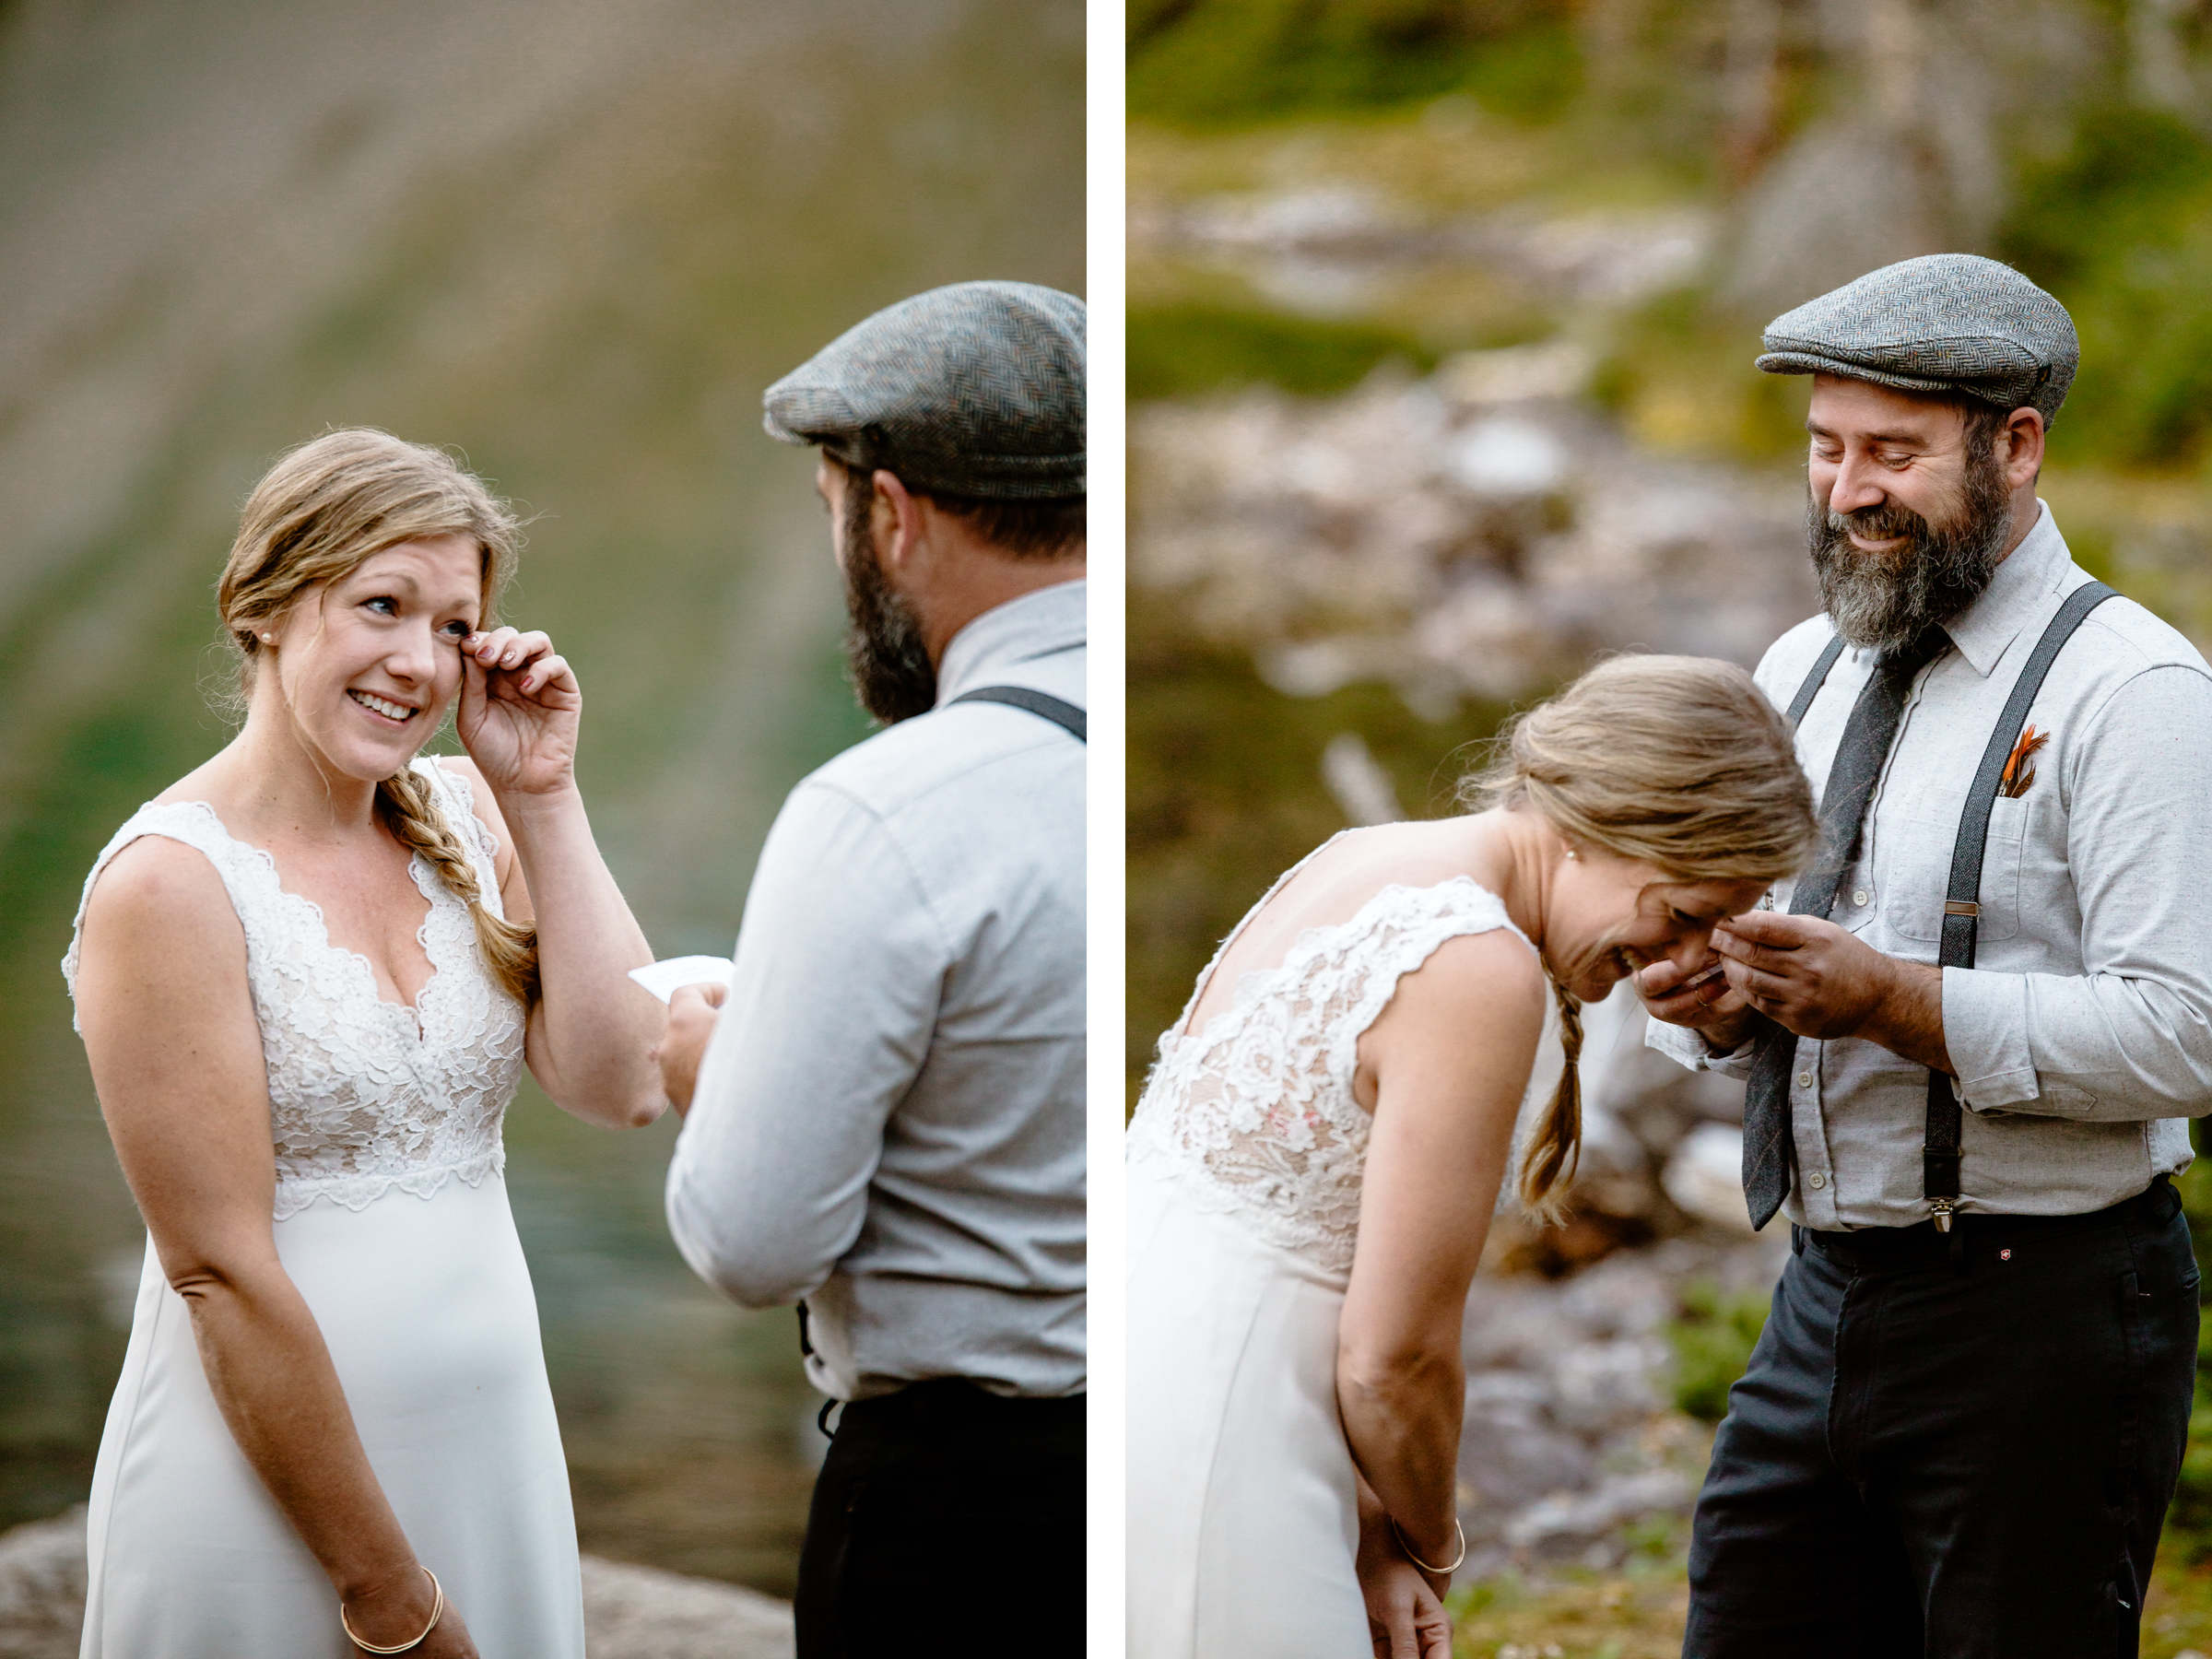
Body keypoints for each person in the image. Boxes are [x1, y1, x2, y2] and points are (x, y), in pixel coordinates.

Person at [1641, 254, 2212, 1657]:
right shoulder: (1800, 670)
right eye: (1827, 450)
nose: (1848, 490)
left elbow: (2189, 1033)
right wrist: (1709, 1005)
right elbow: (1730, 973)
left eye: (1895, 452)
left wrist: (1898, 1003)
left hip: (2050, 1309)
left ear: (2017, 447)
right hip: (1822, 1294)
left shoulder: (2135, 695)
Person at [64, 429, 666, 1658]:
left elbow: (623, 1083)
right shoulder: (169, 885)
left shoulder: (471, 807)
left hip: (489, 1457)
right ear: (269, 608)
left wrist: (544, 795)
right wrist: (387, 1596)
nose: (418, 663)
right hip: (272, 1502)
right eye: (380, 607)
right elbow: (217, 1270)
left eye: (453, 626)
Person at [1126, 655, 1819, 1659]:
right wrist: (1429, 1545)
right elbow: (1394, 1359)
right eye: (1682, 914)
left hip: (1154, 1376)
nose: (1685, 961)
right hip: (1231, 1448)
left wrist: (1367, 1529)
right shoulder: (1476, 966)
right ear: (1605, 826)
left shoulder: (1366, 857)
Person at [655, 281, 1086, 1659]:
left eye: (833, 515)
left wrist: (706, 1071)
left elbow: (752, 1238)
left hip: (961, 1521)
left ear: (890, 516)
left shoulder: (886, 810)